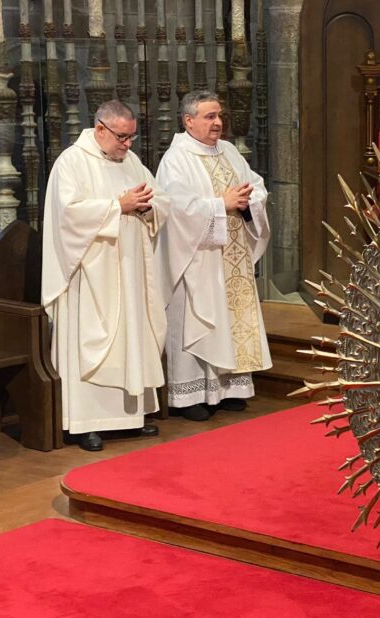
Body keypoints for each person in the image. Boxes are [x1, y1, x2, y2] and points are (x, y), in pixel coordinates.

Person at [41, 100, 168, 451]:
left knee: (132, 337)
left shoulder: (131, 162)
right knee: (94, 340)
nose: (128, 145)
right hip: (90, 274)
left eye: (132, 137)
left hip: (129, 267)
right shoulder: (72, 162)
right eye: (122, 137)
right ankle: (87, 423)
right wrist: (118, 206)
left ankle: (131, 416)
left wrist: (149, 206)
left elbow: (161, 198)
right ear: (100, 129)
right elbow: (67, 216)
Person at [155, 91, 272, 422]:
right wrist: (220, 204)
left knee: (229, 321)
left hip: (231, 257)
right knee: (198, 320)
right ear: (188, 121)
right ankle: (190, 395)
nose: (218, 122)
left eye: (219, 115)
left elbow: (256, 186)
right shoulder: (176, 159)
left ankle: (228, 389)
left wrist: (250, 200)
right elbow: (175, 208)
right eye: (209, 116)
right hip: (197, 259)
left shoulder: (231, 152)